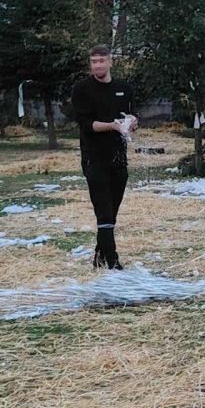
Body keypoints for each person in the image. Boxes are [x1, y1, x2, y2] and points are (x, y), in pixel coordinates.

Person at [70, 45, 138, 269]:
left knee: (112, 212)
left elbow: (131, 116)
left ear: (110, 62)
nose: (97, 65)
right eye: (94, 61)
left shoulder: (124, 88)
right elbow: (86, 125)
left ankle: (100, 254)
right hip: (94, 158)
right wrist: (112, 126)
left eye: (101, 60)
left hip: (118, 158)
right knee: (104, 212)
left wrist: (132, 123)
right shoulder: (81, 89)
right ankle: (113, 262)